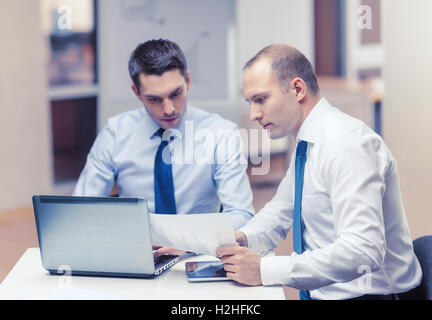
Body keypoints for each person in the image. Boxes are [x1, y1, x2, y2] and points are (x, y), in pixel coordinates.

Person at [216, 44, 422, 300]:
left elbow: (364, 250)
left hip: (372, 296)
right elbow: (280, 211)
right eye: (250, 102)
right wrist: (242, 239)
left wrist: (264, 269)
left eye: (261, 99)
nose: (254, 114)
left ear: (298, 89)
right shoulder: (306, 143)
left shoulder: (344, 144)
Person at [73, 39, 254, 255]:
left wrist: (189, 242)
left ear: (187, 81)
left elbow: (242, 214)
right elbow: (81, 210)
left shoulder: (221, 133)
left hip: (200, 254)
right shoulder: (116, 133)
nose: (168, 109)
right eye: (154, 99)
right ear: (137, 93)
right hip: (136, 251)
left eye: (175, 94)